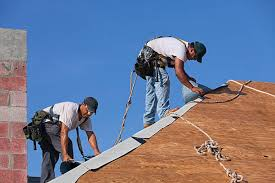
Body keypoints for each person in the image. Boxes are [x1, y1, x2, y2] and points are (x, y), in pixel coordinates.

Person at [138, 36, 210, 128]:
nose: (193, 59)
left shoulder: (181, 46)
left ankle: (148, 121)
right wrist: (192, 87)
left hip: (145, 57)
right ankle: (164, 112)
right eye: (195, 57)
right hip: (151, 58)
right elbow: (178, 72)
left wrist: (188, 78)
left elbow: (178, 67)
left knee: (151, 89)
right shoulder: (181, 49)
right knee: (163, 81)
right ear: (192, 50)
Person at [39, 97, 101, 183]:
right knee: (67, 145)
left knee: (50, 154)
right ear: (83, 105)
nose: (89, 113)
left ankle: (46, 181)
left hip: (47, 128)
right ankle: (70, 177)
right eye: (88, 110)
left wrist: (96, 151)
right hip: (47, 125)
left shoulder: (85, 118)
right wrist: (65, 155)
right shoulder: (71, 109)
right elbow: (63, 132)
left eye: (92, 112)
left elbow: (90, 134)